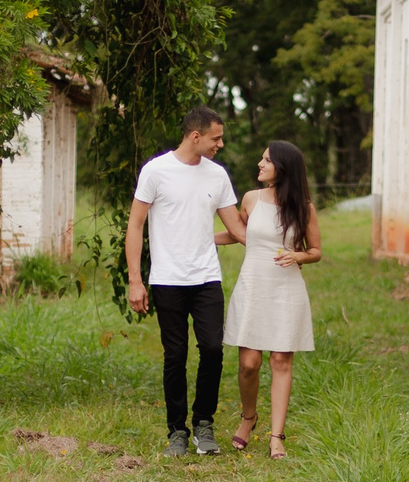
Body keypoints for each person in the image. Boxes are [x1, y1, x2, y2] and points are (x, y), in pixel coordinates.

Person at [126, 107, 248, 456]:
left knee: (212, 349)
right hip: (167, 279)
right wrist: (136, 280)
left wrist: (279, 246)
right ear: (196, 137)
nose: (220, 144)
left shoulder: (218, 176)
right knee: (175, 355)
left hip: (207, 278)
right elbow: (135, 225)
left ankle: (204, 424)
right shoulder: (156, 171)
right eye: (216, 138)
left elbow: (237, 229)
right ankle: (177, 430)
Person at [224, 140, 322, 459]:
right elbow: (237, 233)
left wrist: (298, 256)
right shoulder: (251, 199)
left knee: (280, 360)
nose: (259, 164)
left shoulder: (303, 207)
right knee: (249, 363)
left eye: (266, 160)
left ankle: (276, 436)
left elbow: (316, 251)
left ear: (283, 167)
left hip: (286, 289)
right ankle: (248, 417)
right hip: (253, 284)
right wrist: (199, 238)